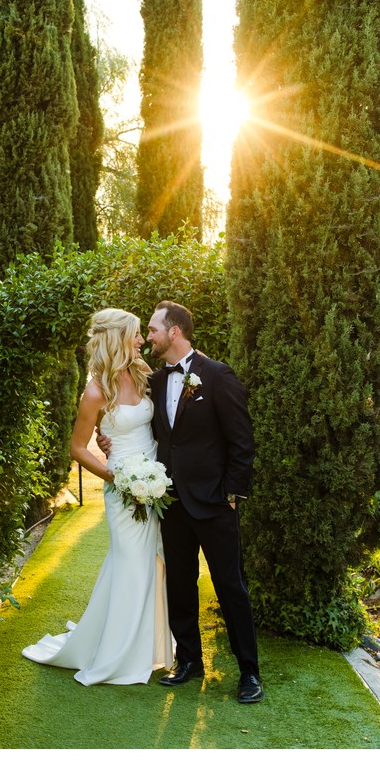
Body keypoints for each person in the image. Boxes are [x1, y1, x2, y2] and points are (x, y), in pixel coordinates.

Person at [99, 300, 263, 704]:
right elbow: (137, 426)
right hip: (169, 502)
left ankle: (249, 673)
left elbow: (242, 442)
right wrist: (107, 440)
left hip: (214, 503)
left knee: (230, 586)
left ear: (174, 332)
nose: (148, 336)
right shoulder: (153, 380)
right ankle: (189, 660)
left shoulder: (218, 376)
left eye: (153, 329)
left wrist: (232, 494)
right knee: (180, 585)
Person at [21, 308, 173, 685]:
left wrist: (150, 479)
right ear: (117, 338)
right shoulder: (95, 391)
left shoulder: (141, 374)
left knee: (155, 561)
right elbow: (78, 448)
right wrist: (119, 478)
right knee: (131, 562)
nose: (141, 341)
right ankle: (119, 654)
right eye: (136, 334)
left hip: (155, 481)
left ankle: (152, 645)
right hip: (123, 488)